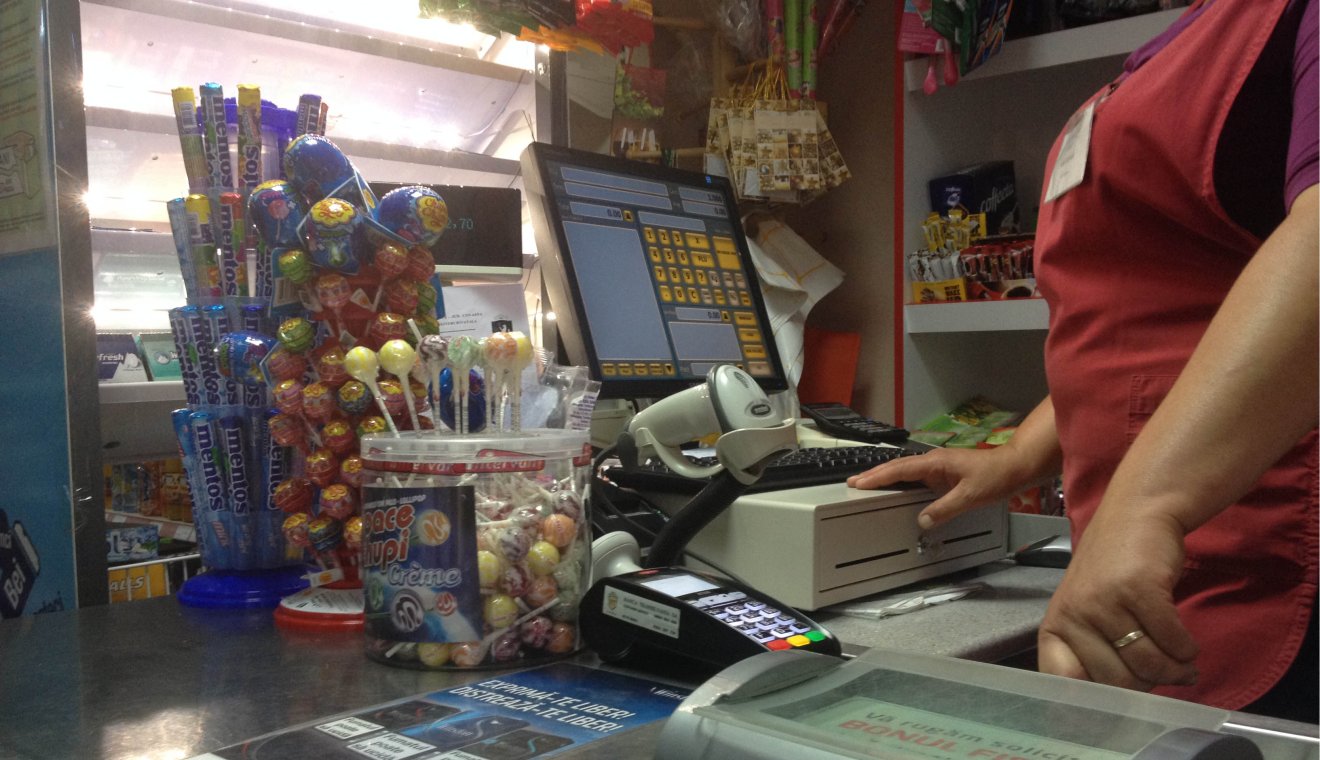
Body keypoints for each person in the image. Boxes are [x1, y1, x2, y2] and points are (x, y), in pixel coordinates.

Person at [851, 0, 1318, 720]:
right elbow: (1140, 333)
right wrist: (1016, 458)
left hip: (1270, 563)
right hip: (1163, 571)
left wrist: (1148, 505)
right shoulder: (1174, 47)